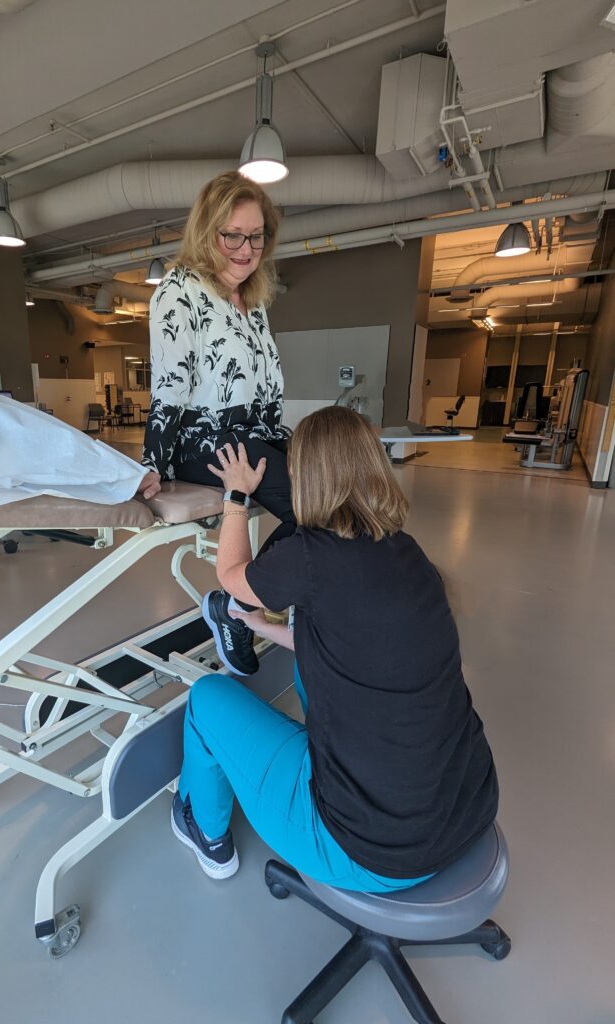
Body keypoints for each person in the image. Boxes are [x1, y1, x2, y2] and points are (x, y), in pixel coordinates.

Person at [170, 406, 499, 891]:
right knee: (309, 662)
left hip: (371, 852)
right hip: (467, 811)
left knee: (206, 700)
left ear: (305, 474)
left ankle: (205, 832)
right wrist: (263, 627)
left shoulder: (310, 555)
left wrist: (236, 494)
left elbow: (230, 576)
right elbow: (351, 644)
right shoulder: (408, 552)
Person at [137, 171, 293, 676]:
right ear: (208, 232)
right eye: (233, 236)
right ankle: (241, 609)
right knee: (311, 506)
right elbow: (170, 386)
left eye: (256, 236)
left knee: (331, 488)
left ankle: (256, 602)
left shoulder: (255, 299)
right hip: (200, 439)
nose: (246, 249)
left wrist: (285, 444)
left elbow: (265, 383)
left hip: (251, 435)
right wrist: (153, 462)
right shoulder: (178, 293)